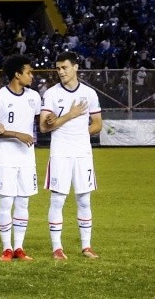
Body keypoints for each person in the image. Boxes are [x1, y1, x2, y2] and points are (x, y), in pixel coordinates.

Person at [39, 51, 102, 260]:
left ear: (75, 67)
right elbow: (44, 127)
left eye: (64, 67)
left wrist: (80, 134)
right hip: (60, 152)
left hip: (83, 153)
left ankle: (87, 246)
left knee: (84, 199)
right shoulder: (51, 94)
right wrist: (70, 115)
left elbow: (98, 124)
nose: (61, 72)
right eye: (58, 68)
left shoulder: (89, 94)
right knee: (58, 199)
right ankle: (57, 248)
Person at [0, 54, 41, 262]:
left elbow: (41, 123)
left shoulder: (34, 97)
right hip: (6, 158)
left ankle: (19, 247)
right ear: (17, 75)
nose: (32, 76)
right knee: (6, 202)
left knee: (23, 203)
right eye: (28, 72)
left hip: (27, 158)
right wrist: (16, 134)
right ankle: (6, 248)